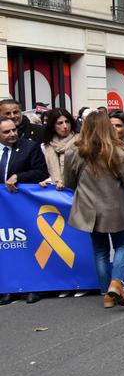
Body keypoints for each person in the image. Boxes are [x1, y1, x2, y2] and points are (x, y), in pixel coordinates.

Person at [62, 112, 124, 309]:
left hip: (88, 208)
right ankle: (116, 283)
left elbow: (69, 182)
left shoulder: (74, 151)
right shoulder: (118, 150)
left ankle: (106, 292)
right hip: (114, 205)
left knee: (100, 250)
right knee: (122, 244)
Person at [0, 116, 48, 306]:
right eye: (6, 132)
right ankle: (6, 289)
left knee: (27, 246)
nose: (12, 134)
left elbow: (41, 172)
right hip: (3, 211)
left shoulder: (29, 147)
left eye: (14, 130)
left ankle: (31, 287)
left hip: (23, 208)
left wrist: (19, 176)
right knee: (6, 249)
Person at [38, 108, 78, 190]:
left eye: (67, 122)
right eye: (60, 123)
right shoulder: (46, 146)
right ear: (53, 126)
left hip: (77, 191)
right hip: (57, 193)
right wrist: (49, 181)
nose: (65, 126)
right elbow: (46, 172)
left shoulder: (81, 141)